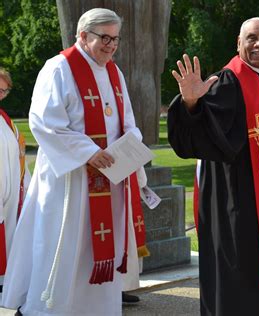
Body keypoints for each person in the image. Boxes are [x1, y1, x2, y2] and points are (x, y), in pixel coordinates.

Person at [1, 8, 149, 315]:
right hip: (69, 182)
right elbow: (44, 123)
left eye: (115, 39)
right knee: (64, 245)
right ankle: (47, 308)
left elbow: (128, 120)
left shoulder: (113, 72)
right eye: (104, 38)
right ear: (83, 36)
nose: (111, 45)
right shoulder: (59, 69)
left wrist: (131, 145)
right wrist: (88, 152)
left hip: (109, 177)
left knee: (96, 248)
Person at [168, 17, 259, 316]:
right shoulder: (226, 82)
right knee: (244, 274)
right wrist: (191, 104)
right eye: (251, 38)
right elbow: (198, 139)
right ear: (238, 43)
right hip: (237, 200)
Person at [0, 68, 30, 292]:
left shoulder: (5, 119)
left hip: (8, 188)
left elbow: (18, 148)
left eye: (4, 91)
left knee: (8, 231)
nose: (1, 94)